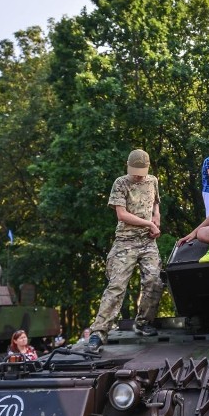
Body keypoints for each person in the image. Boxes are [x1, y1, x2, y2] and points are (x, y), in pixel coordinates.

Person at [88, 149, 164, 351]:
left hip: (148, 242)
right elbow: (122, 215)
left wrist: (156, 217)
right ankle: (99, 332)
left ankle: (144, 322)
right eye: (135, 170)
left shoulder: (153, 180)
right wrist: (149, 224)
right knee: (117, 286)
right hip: (125, 241)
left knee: (154, 281)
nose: (139, 175)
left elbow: (156, 203)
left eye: (142, 171)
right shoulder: (121, 183)